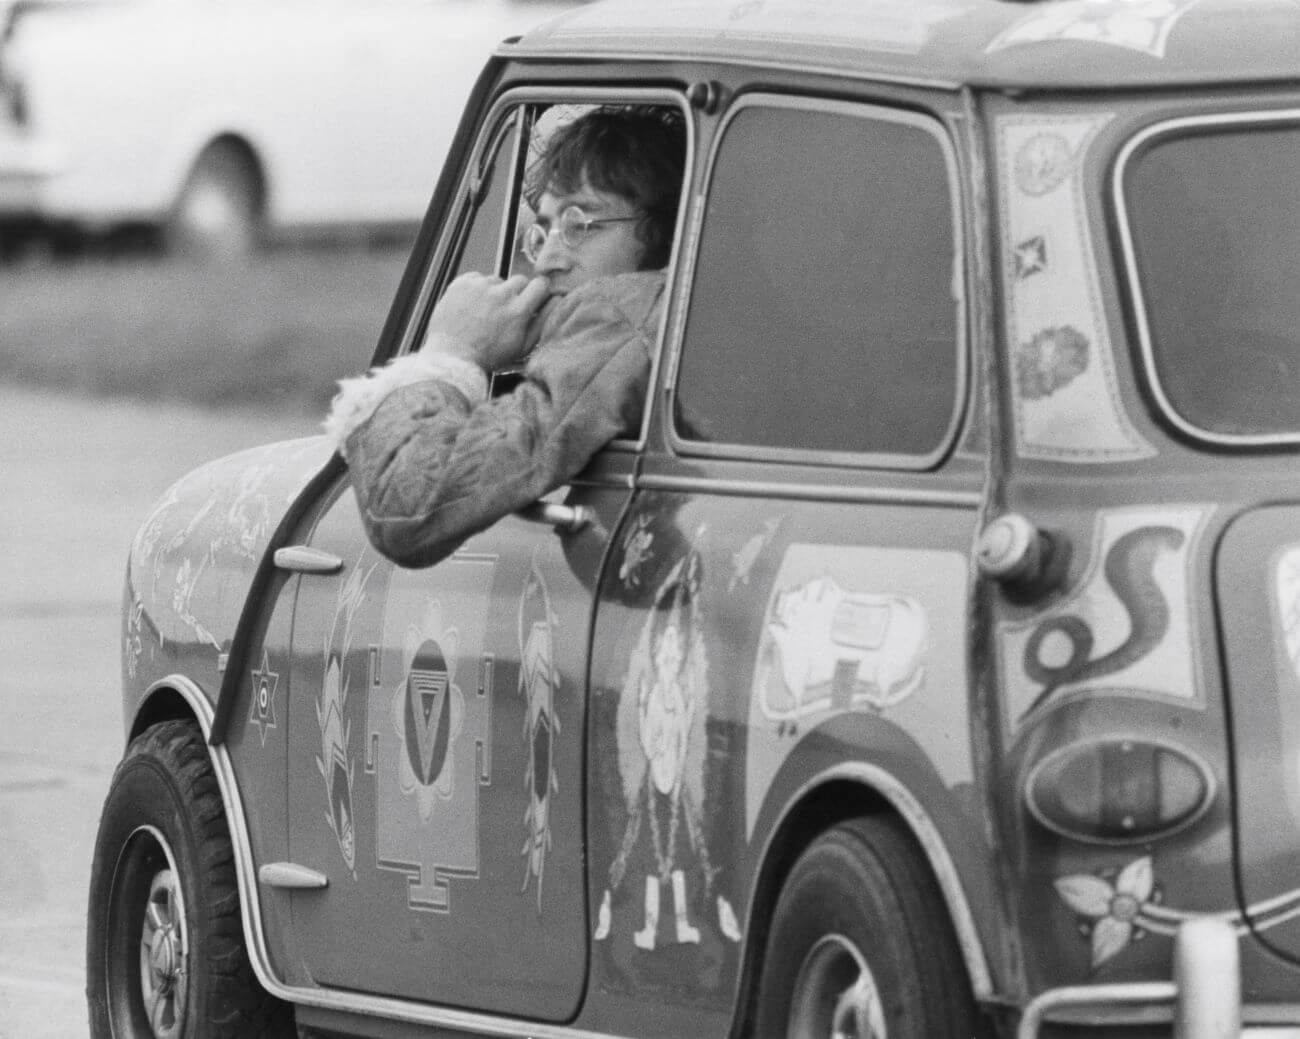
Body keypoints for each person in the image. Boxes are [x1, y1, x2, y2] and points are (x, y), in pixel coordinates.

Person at [324, 104, 687, 568]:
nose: (548, 259)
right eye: (544, 231)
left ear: (669, 235)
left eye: (580, 225)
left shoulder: (621, 312)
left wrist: (452, 353)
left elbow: (409, 509)